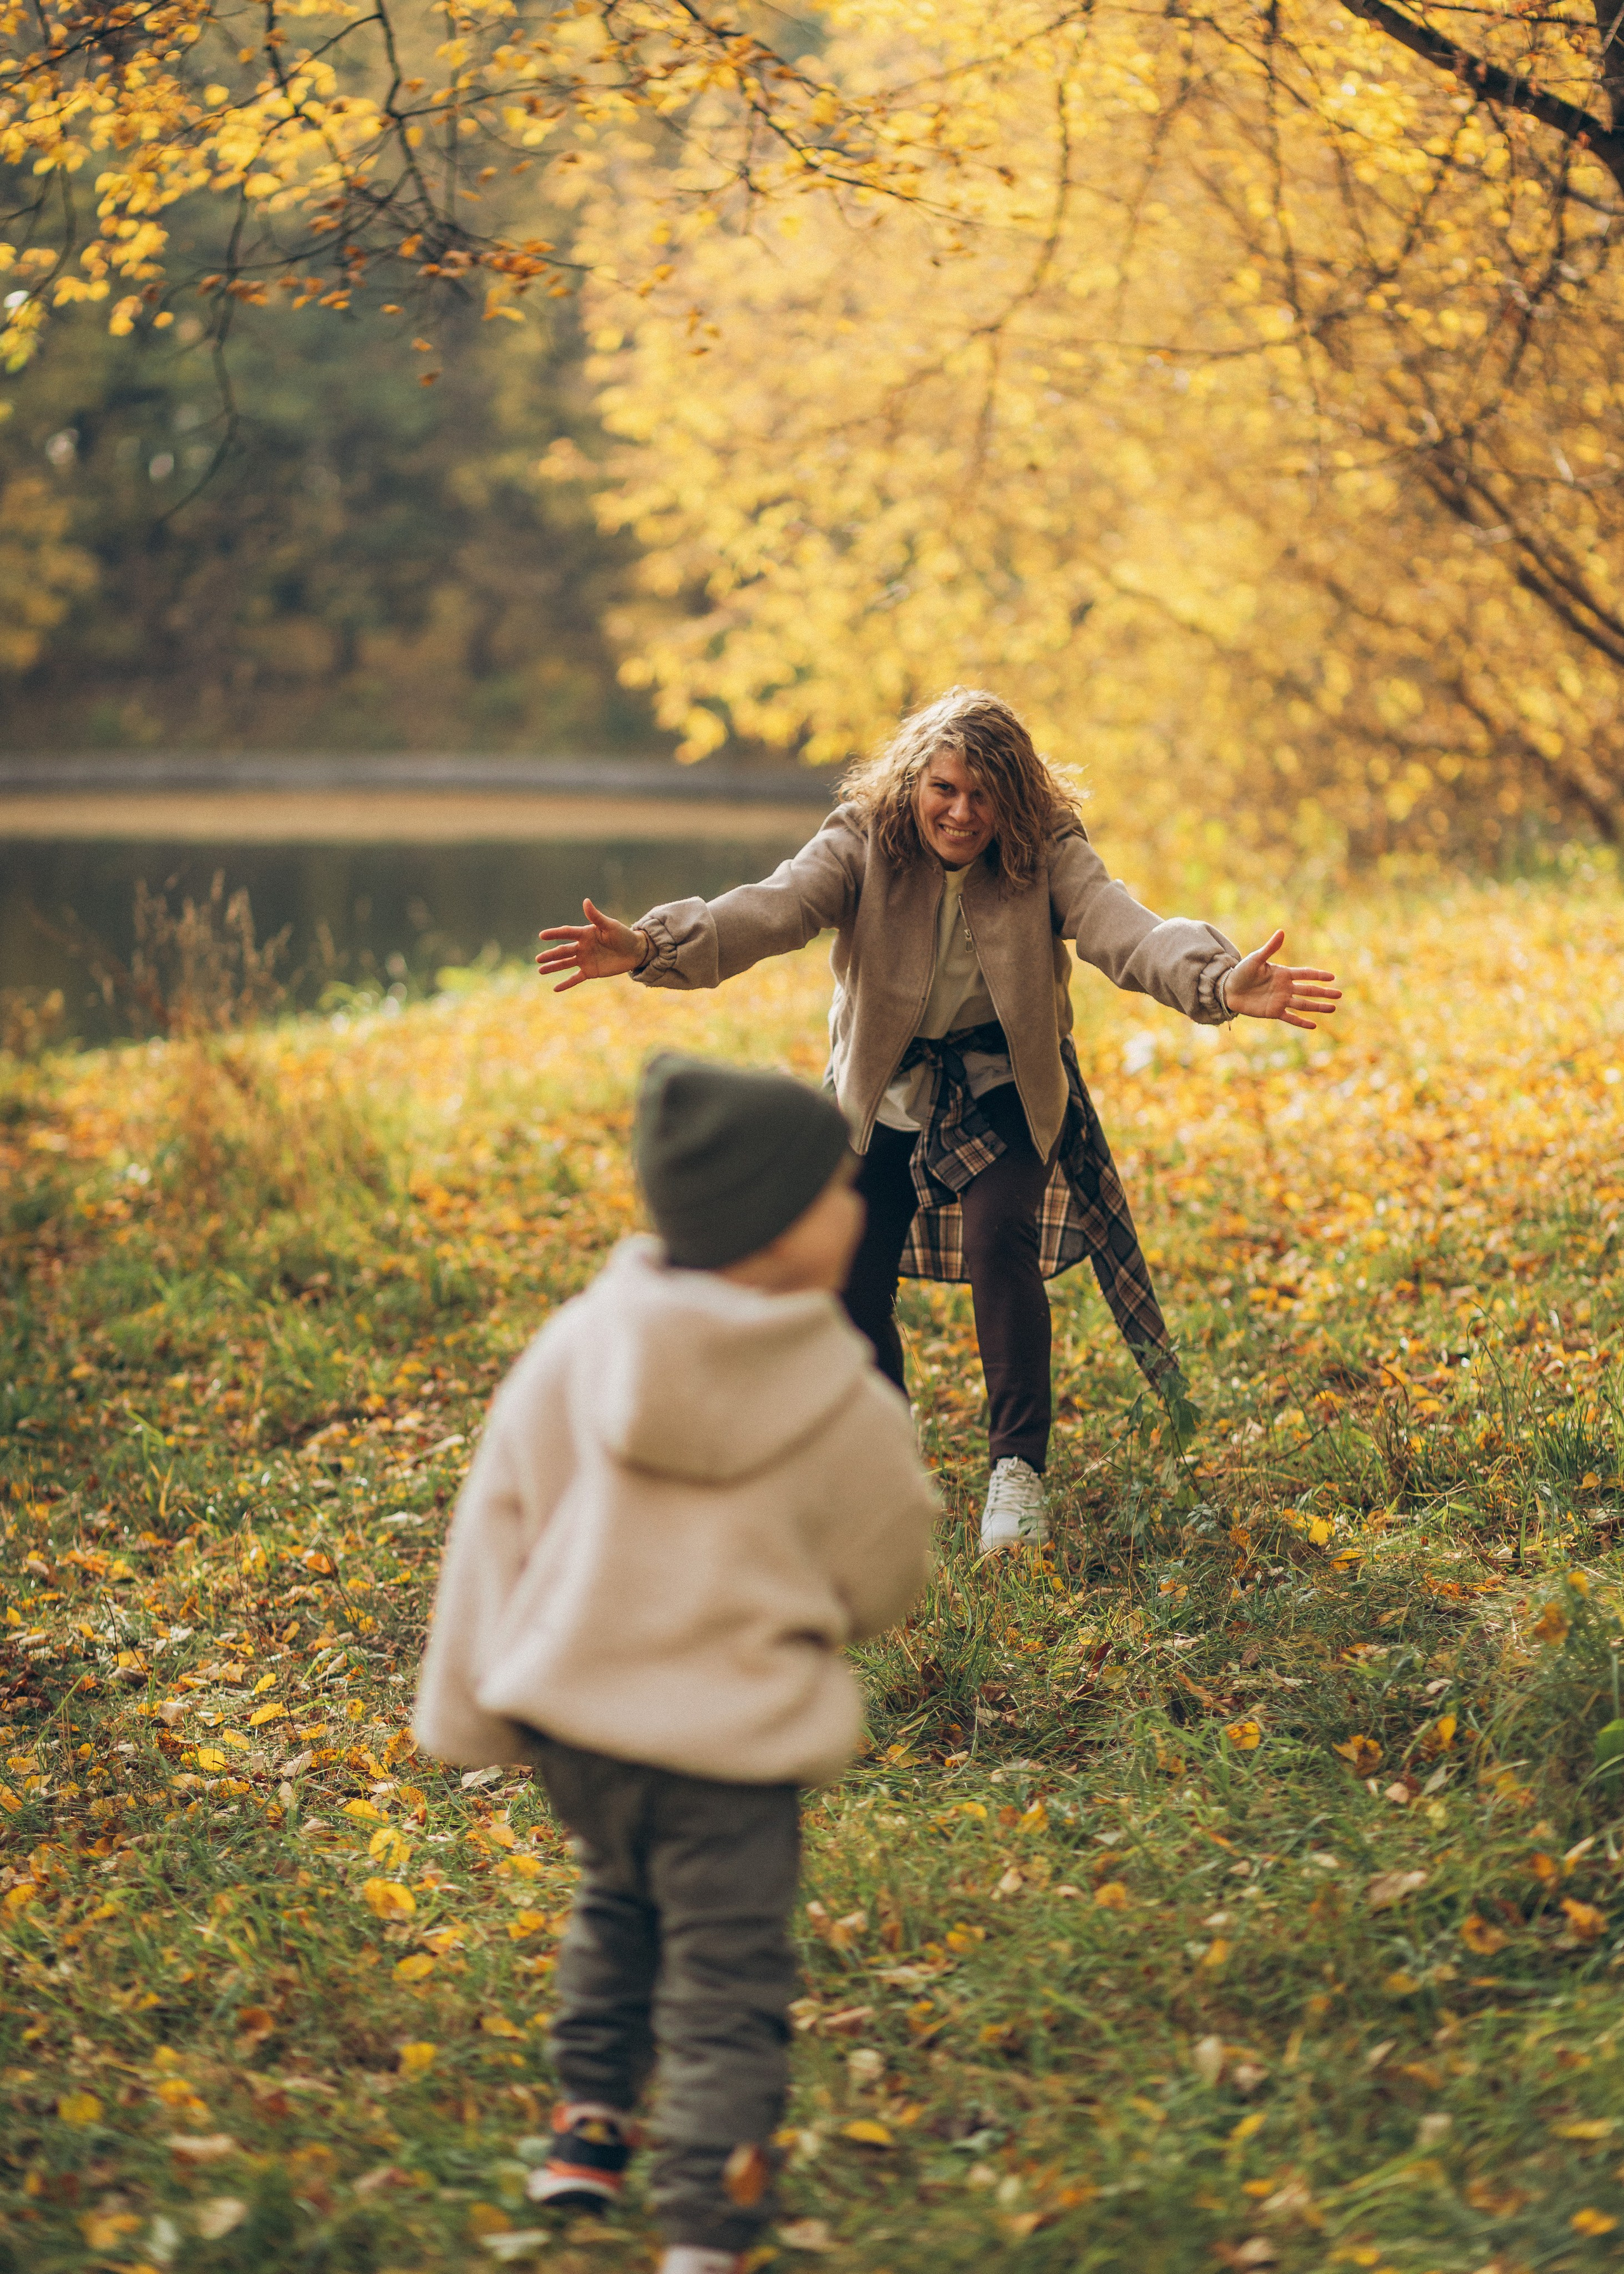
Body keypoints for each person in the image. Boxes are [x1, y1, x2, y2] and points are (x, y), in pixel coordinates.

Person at [537, 687, 1339, 1552]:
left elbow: (1123, 928)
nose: (962, 812)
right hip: (883, 1089)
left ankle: (1017, 1473)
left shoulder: (1045, 853)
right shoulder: (864, 840)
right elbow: (775, 906)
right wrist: (656, 945)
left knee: (1002, 1236)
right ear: (916, 782)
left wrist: (1216, 979)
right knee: (852, 1270)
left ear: (1014, 798)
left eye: (984, 794)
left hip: (1004, 1084)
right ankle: (883, 1451)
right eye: (945, 790)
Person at [413, 1054, 936, 2274]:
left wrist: (472, 1709)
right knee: (728, 1972)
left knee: (618, 1896)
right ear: (773, 1225)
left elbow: (498, 1522)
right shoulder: (842, 1396)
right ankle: (707, 2215)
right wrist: (832, 1614)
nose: (859, 1207)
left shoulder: (578, 1346)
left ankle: (588, 2126)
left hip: (581, 1733)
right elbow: (886, 1572)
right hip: (730, 1750)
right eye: (837, 1191)